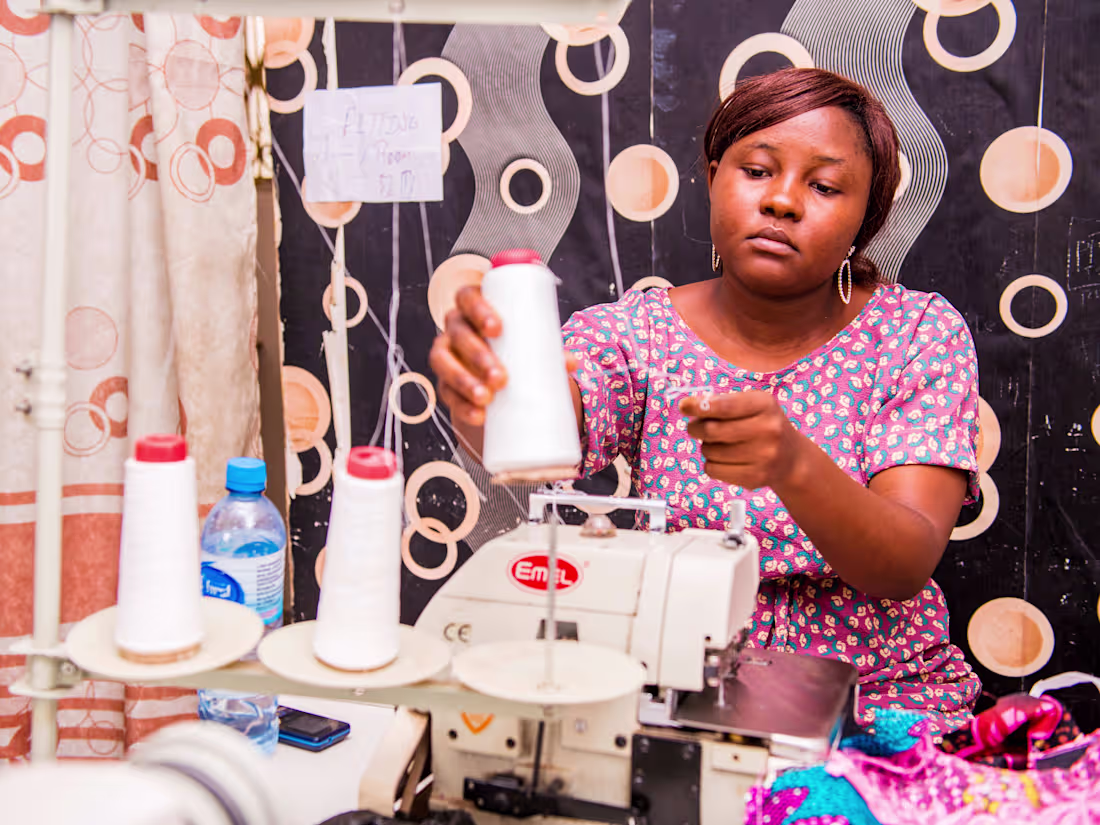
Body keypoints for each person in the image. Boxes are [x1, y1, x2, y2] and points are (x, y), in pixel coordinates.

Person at [429, 67, 981, 734]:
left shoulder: (916, 335)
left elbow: (903, 563)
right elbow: (544, 434)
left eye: (825, 185)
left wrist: (794, 465)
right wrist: (482, 397)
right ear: (715, 175)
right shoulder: (634, 333)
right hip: (678, 689)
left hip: (877, 704)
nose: (782, 201)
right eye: (757, 170)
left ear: (865, 218)